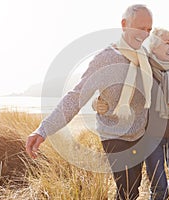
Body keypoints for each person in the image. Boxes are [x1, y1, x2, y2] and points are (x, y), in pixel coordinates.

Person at [26, 4, 153, 200]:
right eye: (140, 28)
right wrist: (43, 129)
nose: (145, 34)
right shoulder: (105, 58)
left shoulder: (146, 57)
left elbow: (162, 85)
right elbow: (76, 96)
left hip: (140, 132)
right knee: (127, 191)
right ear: (124, 24)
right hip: (114, 134)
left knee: (133, 189)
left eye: (148, 30)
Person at [93, 28, 169, 199]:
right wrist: (97, 102)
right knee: (158, 187)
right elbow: (120, 90)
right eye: (167, 42)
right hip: (151, 138)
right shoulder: (143, 69)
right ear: (154, 47)